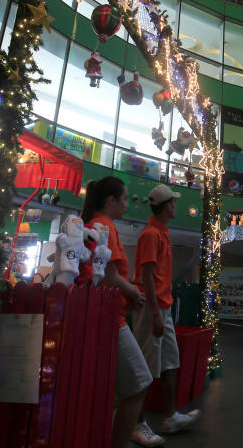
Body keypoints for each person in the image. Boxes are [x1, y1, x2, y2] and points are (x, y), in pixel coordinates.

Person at [81, 176, 150, 448]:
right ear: (111, 200)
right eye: (124, 199)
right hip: (109, 318)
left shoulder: (94, 224)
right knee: (139, 382)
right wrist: (133, 292)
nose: (126, 204)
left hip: (100, 315)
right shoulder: (104, 225)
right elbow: (109, 275)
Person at [130, 185, 199, 446]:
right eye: (173, 202)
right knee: (145, 366)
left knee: (170, 361)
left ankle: (170, 418)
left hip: (163, 306)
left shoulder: (161, 232)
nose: (176, 206)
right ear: (166, 205)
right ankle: (137, 424)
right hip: (152, 308)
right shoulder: (150, 234)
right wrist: (155, 314)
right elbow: (146, 275)